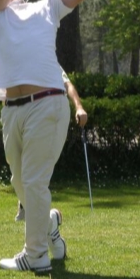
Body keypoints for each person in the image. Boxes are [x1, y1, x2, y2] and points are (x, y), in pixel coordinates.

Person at [0, 0, 92, 272]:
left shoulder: (46, 8)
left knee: (35, 181)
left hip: (48, 104)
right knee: (20, 181)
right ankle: (49, 222)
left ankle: (36, 255)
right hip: (11, 111)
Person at [14, 70, 88, 225]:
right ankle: (47, 217)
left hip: (46, 120)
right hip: (23, 118)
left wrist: (79, 107)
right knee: (19, 172)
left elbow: (67, 85)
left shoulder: (48, 60)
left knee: (35, 173)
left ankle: (29, 210)